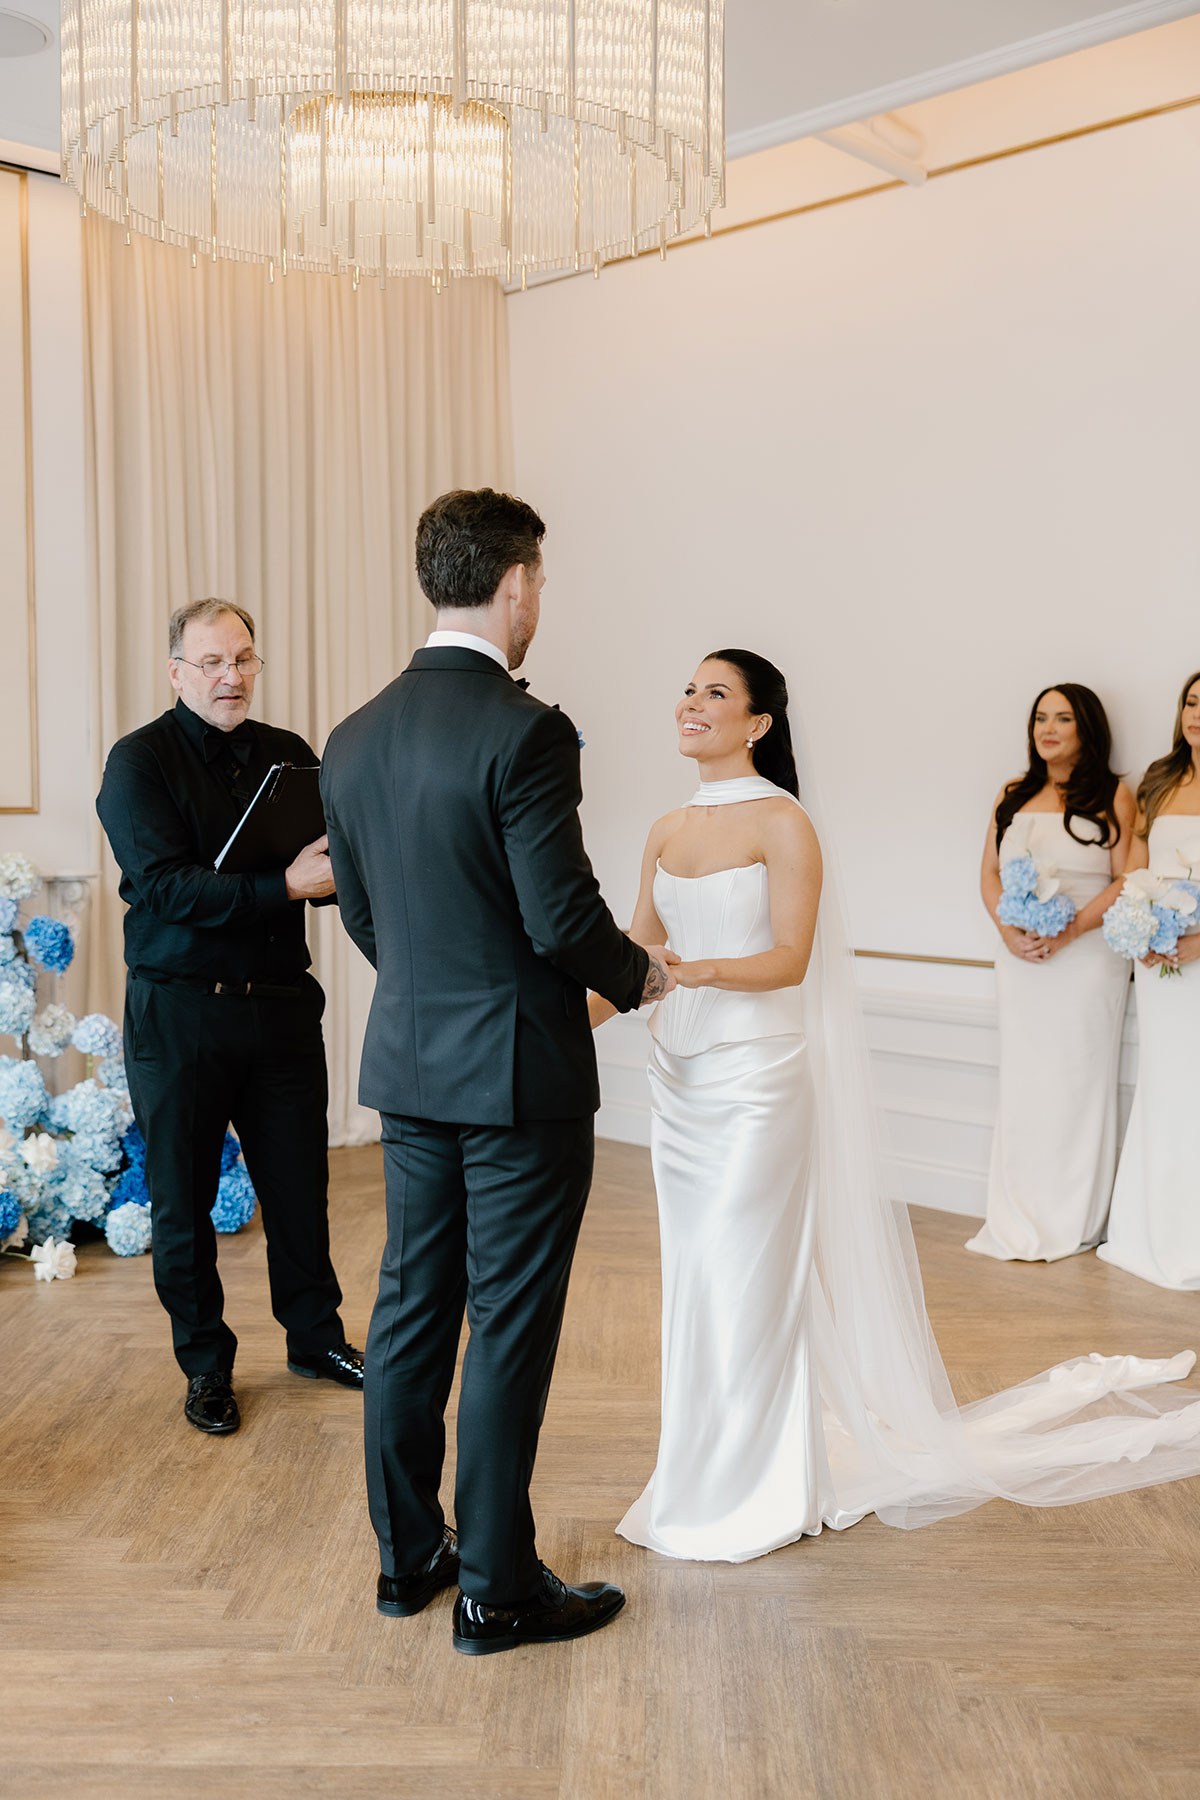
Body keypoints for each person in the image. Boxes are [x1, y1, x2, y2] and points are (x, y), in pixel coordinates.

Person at [600, 648, 1200, 1565]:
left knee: (749, 1277)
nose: (691, 702)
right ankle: (696, 1477)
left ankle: (755, 1489)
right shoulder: (665, 827)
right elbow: (634, 947)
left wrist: (685, 972)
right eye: (687, 687)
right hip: (677, 1083)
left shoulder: (785, 821)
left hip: (756, 1078)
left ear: (759, 722)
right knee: (696, 1278)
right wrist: (561, 1018)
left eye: (715, 692)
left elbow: (788, 960)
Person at [319, 488, 674, 1655]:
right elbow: (562, 915)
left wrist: (436, 987)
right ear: (517, 583)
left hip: (411, 1068)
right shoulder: (527, 730)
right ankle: (497, 1590)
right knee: (509, 1324)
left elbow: (364, 913)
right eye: (542, 587)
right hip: (520, 1078)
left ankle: (405, 1558)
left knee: (412, 1311)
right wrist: (640, 977)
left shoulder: (354, 734)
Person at [97, 599, 364, 1437]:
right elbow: (165, 888)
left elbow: (330, 866)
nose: (231, 676)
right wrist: (282, 885)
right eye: (211, 662)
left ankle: (314, 1340)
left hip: (281, 1008)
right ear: (176, 672)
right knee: (183, 1200)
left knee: (299, 1189)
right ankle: (206, 1366)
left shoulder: (290, 756)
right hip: (178, 1015)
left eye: (243, 659)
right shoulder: (137, 762)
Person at [966, 686, 1134, 1262]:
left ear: (1087, 728)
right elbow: (988, 873)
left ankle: (1074, 1218)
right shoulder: (1012, 795)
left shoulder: (1113, 794)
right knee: (1026, 1081)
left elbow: (1124, 879)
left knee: (1077, 1082)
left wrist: (1071, 930)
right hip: (1020, 961)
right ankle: (1018, 1212)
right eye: (1041, 717)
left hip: (1086, 960)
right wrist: (1007, 931)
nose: (1049, 727)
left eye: (1063, 718)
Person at [1099, 670, 1200, 1289]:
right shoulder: (1160, 780)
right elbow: (1136, 869)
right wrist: (1144, 929)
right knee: (1165, 1085)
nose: (1197, 714)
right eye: (1192, 702)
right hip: (1160, 962)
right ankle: (1153, 1230)